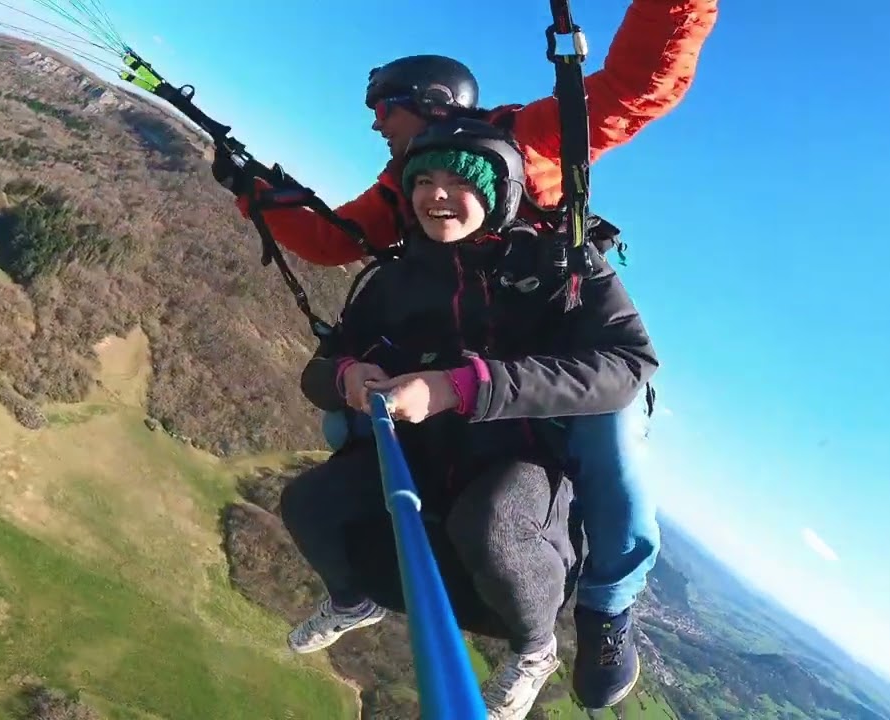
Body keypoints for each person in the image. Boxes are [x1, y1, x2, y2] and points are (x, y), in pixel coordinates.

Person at [214, 1, 718, 708]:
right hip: (460, 344)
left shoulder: (532, 135)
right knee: (345, 427)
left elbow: (636, 88)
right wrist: (257, 195)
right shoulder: (404, 183)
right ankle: (368, 571)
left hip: (554, 337)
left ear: (428, 102)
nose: (376, 126)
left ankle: (607, 607)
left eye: (383, 110)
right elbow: (335, 240)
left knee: (613, 439)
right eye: (425, 184)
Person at [279, 117, 658, 719]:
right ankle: (352, 600)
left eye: (460, 182)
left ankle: (536, 650)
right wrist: (347, 374)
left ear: (499, 192)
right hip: (427, 450)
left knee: (492, 523)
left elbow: (629, 361)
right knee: (307, 503)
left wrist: (465, 387)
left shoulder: (561, 266)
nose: (436, 194)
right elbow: (322, 368)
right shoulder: (399, 278)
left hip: (524, 453)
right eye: (422, 181)